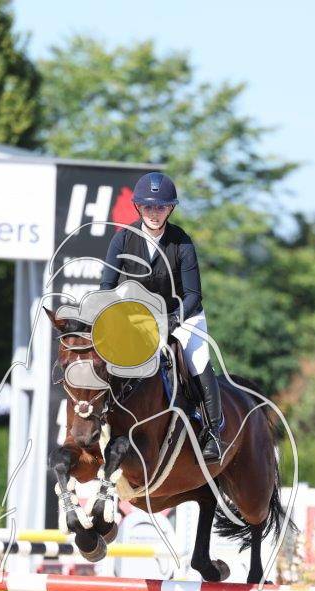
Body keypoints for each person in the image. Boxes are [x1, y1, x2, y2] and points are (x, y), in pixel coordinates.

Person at [98, 172, 223, 463]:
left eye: (161, 207)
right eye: (149, 207)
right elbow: (107, 287)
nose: (154, 213)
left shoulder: (182, 243)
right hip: (137, 319)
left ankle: (213, 432)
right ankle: (97, 420)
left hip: (182, 315)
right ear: (138, 207)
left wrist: (172, 321)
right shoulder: (122, 239)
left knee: (196, 359)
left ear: (170, 209)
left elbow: (194, 295)